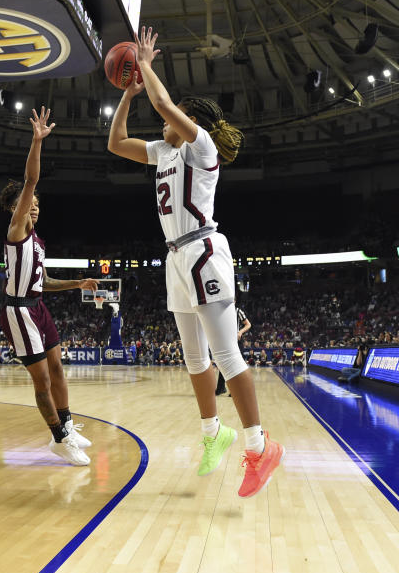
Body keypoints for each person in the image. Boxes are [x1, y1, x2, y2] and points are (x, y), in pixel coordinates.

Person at [107, 26, 284, 498]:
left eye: (177, 117)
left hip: (204, 249)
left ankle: (259, 445)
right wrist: (128, 94)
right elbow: (116, 143)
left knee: (226, 354)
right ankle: (214, 434)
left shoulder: (201, 147)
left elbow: (165, 106)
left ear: (192, 121)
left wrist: (145, 64)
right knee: (192, 357)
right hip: (175, 257)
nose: (167, 120)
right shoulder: (164, 150)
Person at [0, 107, 98, 466]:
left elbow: (44, 282)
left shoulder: (37, 242)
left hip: (38, 306)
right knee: (41, 380)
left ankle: (68, 425)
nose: (35, 207)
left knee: (57, 369)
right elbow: (30, 182)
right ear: (16, 209)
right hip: (18, 310)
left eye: (38, 205)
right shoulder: (16, 231)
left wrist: (77, 283)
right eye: (29, 204)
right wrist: (37, 142)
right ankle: (58, 438)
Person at [216, 306, 250, 395]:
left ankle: (237, 389)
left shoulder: (238, 311)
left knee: (237, 364)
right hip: (226, 340)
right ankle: (221, 388)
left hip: (237, 340)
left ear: (234, 301)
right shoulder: (221, 311)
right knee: (223, 363)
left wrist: (240, 332)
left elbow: (248, 324)